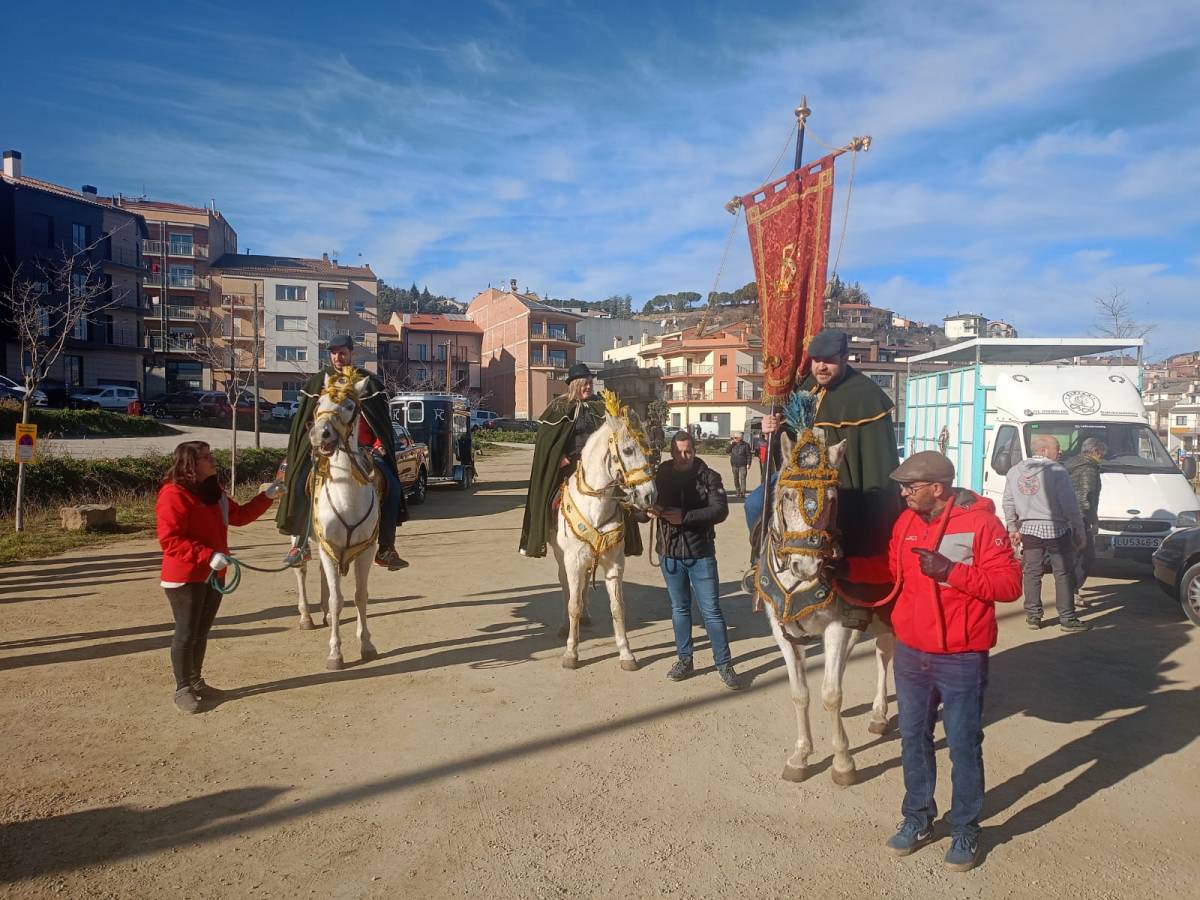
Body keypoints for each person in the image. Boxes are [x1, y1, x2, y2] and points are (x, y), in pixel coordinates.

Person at [853, 452, 1021, 871]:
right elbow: (890, 571)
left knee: (963, 744)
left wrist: (951, 572)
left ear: (937, 488)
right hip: (911, 652)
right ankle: (918, 818)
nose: (904, 493)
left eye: (911, 486)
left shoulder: (982, 524)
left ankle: (966, 826)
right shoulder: (906, 523)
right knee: (913, 738)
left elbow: (1009, 585)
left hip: (961, 656)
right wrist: (837, 565)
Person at [745, 329, 902, 603]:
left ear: (844, 358)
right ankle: (760, 561)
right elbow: (791, 440)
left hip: (841, 483)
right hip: (799, 478)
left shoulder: (866, 396)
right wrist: (772, 428)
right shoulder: (807, 388)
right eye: (816, 359)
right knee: (755, 503)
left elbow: (877, 459)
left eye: (828, 360)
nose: (821, 366)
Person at [157, 441, 285, 713]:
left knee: (201, 632)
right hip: (186, 576)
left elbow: (239, 516)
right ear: (190, 463)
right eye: (206, 457)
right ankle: (182, 689)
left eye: (211, 455)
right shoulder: (173, 494)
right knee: (186, 632)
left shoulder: (215, 493)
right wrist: (206, 555)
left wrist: (267, 496)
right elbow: (171, 540)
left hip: (214, 572)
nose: (212, 460)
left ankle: (196, 681)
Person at [275, 334, 408, 570]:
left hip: (365, 449)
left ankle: (386, 548)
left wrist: (379, 444)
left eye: (342, 352)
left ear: (351, 353)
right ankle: (300, 544)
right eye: (334, 353)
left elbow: (381, 421)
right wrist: (313, 443)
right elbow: (305, 422)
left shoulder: (369, 383)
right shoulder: (317, 384)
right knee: (296, 483)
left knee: (394, 489)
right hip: (323, 449)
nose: (338, 357)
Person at [641, 431, 740, 689]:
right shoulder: (661, 474)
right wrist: (648, 511)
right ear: (671, 451)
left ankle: (724, 664)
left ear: (694, 451)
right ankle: (685, 660)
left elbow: (720, 510)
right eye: (678, 452)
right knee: (679, 610)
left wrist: (684, 517)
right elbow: (642, 510)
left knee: (712, 612)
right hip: (669, 554)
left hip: (701, 555)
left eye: (688, 452)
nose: (683, 457)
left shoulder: (709, 476)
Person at [520, 363, 642, 558]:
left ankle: (629, 538)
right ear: (575, 384)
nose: (589, 387)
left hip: (600, 466)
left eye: (590, 383)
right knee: (549, 499)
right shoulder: (559, 406)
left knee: (621, 496)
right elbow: (546, 439)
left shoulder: (600, 406)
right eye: (585, 383)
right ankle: (546, 532)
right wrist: (558, 457)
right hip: (570, 465)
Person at [1002, 434, 1090, 632]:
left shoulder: (1014, 471)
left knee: (1032, 571)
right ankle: (1067, 618)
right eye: (1056, 448)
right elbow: (1069, 504)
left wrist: (1012, 527)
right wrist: (1079, 528)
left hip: (1029, 529)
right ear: (1043, 450)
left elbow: (1008, 501)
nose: (1060, 452)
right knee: (1063, 572)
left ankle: (1033, 616)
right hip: (1056, 529)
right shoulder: (1057, 471)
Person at [1066, 437, 1106, 602]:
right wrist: (1093, 521)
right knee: (1086, 556)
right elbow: (1086, 497)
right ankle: (1071, 591)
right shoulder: (1089, 468)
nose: (1102, 457)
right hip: (1080, 518)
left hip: (1067, 516)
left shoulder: (1071, 464)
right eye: (1102, 454)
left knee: (1073, 556)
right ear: (1096, 452)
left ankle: (1069, 590)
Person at [727, 430, 753, 499]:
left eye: (735, 438)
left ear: (740, 438)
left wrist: (749, 463)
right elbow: (727, 451)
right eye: (734, 438)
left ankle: (743, 493)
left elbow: (749, 455)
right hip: (734, 464)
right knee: (735, 478)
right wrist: (731, 444)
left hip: (743, 464)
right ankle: (738, 491)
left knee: (743, 478)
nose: (734, 439)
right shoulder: (733, 444)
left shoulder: (746, 445)